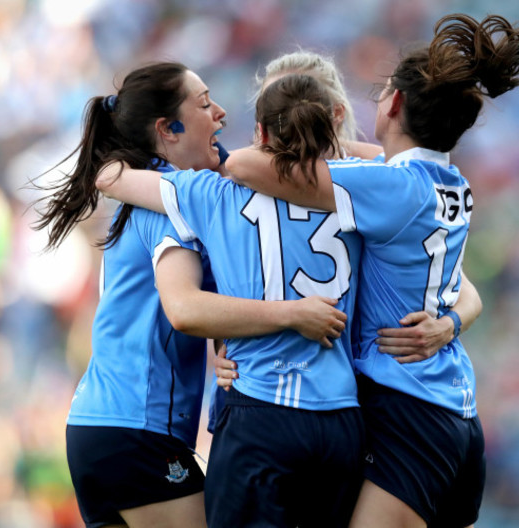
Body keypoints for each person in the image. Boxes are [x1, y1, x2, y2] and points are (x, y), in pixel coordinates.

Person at [224, 13, 519, 528]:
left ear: (393, 104)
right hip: (454, 410)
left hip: (408, 410)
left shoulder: (387, 188)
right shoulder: (453, 183)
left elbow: (243, 166)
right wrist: (454, 323)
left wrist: (298, 132)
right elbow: (466, 289)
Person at [32, 62, 349, 528]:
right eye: (203, 104)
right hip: (139, 430)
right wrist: (292, 314)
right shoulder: (168, 207)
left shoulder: (149, 193)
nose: (220, 114)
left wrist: (224, 345)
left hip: (101, 428)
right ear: (168, 129)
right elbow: (183, 309)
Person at [207, 48, 469, 434]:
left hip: (354, 407)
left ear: (337, 114)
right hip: (259, 398)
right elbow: (212, 297)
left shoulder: (372, 187)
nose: (289, 114)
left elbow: (461, 285)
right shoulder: (239, 192)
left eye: (302, 100)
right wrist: (222, 345)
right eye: (275, 105)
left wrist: (449, 323)